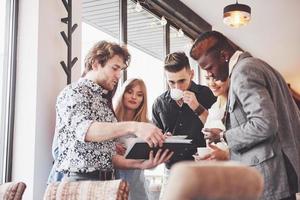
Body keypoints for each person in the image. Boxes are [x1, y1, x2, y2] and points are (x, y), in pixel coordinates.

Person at [190, 30, 300, 200]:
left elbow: (264, 124)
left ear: (224, 55)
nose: (210, 75)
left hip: (268, 178)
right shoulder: (260, 65)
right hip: (280, 174)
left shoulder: (243, 71)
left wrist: (223, 135)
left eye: (209, 67)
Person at [52, 41, 173, 183]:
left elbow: (108, 157)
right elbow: (85, 130)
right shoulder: (73, 93)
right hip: (80, 181)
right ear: (95, 63)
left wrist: (142, 164)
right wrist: (136, 126)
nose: (118, 75)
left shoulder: (103, 103)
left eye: (121, 70)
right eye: (115, 68)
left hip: (107, 181)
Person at [152, 52, 216, 199]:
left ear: (191, 74)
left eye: (182, 81)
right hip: (172, 171)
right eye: (171, 82)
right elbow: (156, 143)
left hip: (203, 169)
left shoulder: (207, 94)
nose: (177, 87)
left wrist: (197, 107)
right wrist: (162, 139)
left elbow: (218, 130)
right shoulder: (159, 103)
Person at [113, 78, 152, 200]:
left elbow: (152, 160)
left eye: (139, 94)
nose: (134, 97)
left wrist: (161, 142)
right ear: (123, 93)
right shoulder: (110, 121)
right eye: (130, 92)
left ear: (143, 99)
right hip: (112, 185)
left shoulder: (148, 125)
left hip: (137, 186)